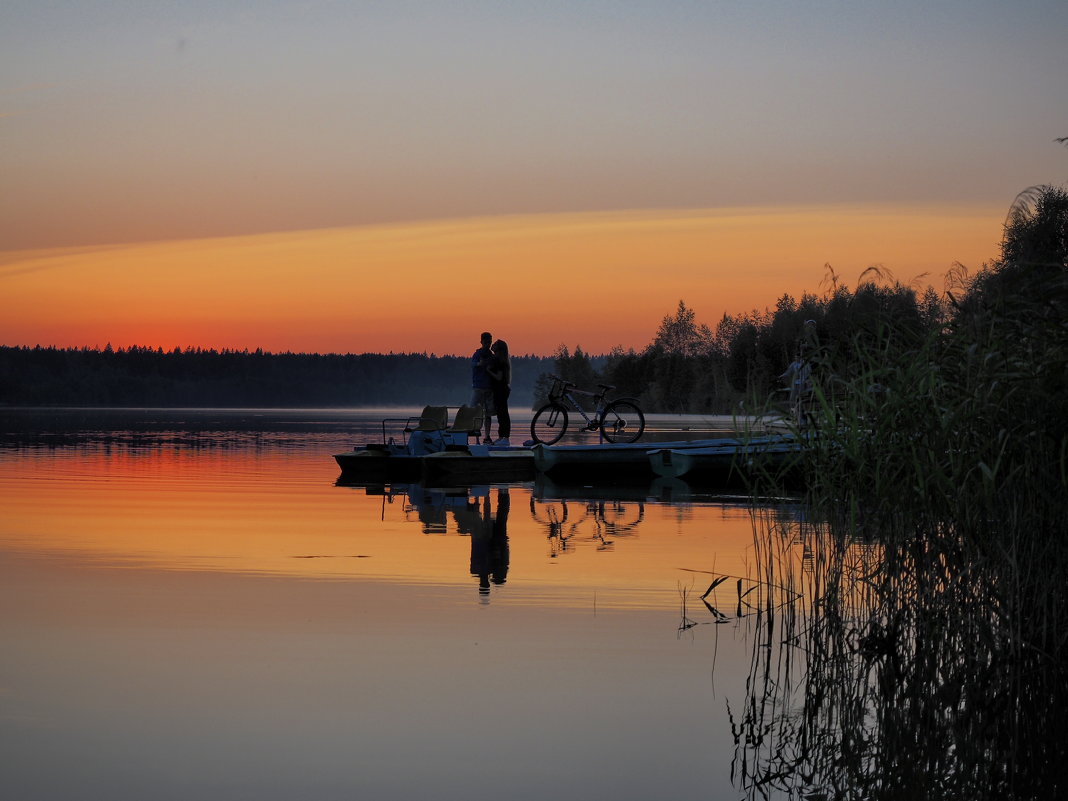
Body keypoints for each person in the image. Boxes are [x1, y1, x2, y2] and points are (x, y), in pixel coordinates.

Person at [470, 331, 494, 443]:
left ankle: (487, 436)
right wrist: (479, 364)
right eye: (486, 342)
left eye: (489, 342)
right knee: (474, 413)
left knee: (488, 414)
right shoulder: (477, 354)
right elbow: (473, 364)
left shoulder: (491, 355)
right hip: (478, 388)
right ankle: (476, 438)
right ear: (481, 342)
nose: (487, 344)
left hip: (489, 389)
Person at [487, 339, 511, 446]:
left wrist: (488, 370)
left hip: (501, 390)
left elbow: (499, 377)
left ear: (499, 348)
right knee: (501, 414)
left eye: (495, 344)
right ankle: (502, 437)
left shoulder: (500, 361)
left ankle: (505, 438)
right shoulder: (498, 359)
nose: (493, 345)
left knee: (502, 414)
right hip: (500, 390)